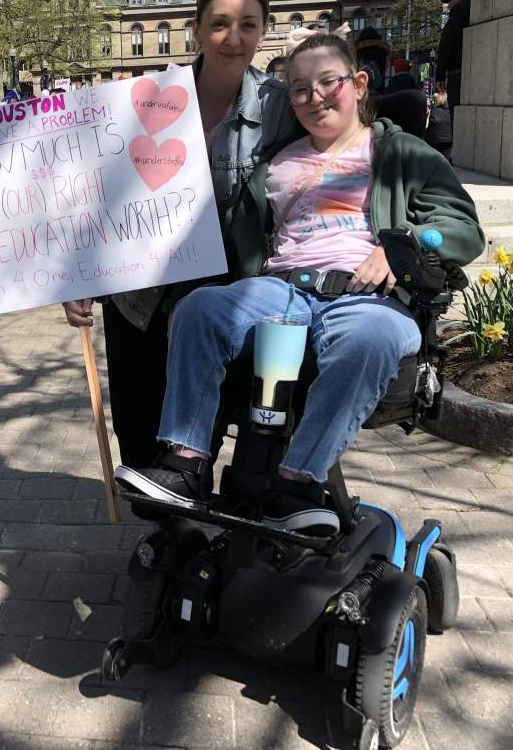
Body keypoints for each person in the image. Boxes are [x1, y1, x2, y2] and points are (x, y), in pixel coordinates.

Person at [113, 32, 484, 535]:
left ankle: (297, 481)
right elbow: (207, 232)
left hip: (363, 295)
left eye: (327, 83)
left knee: (374, 337)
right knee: (201, 309)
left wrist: (407, 243)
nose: (315, 98)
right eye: (300, 90)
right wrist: (105, 263)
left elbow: (463, 229)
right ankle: (185, 463)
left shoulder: (402, 153)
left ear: (357, 83)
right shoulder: (277, 165)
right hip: (282, 288)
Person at [61, 0, 297, 469]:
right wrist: (76, 274)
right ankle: (167, 524)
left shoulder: (283, 108)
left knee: (203, 427)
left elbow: (348, 140)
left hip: (222, 297)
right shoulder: (141, 103)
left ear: (264, 29)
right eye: (219, 23)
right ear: (196, 28)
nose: (233, 38)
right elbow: (97, 192)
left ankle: (199, 520)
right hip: (139, 297)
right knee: (140, 429)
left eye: (248, 24)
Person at [436, 0, 470, 116]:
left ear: (458, 1)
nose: (448, 6)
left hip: (456, 74)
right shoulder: (475, 17)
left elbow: (445, 48)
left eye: (450, 2)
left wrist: (440, 76)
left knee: (455, 113)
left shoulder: (454, 21)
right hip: (473, 73)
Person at [425, 91, 453, 160]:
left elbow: (427, 126)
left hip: (434, 141)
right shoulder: (450, 112)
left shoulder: (433, 112)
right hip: (447, 141)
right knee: (446, 161)